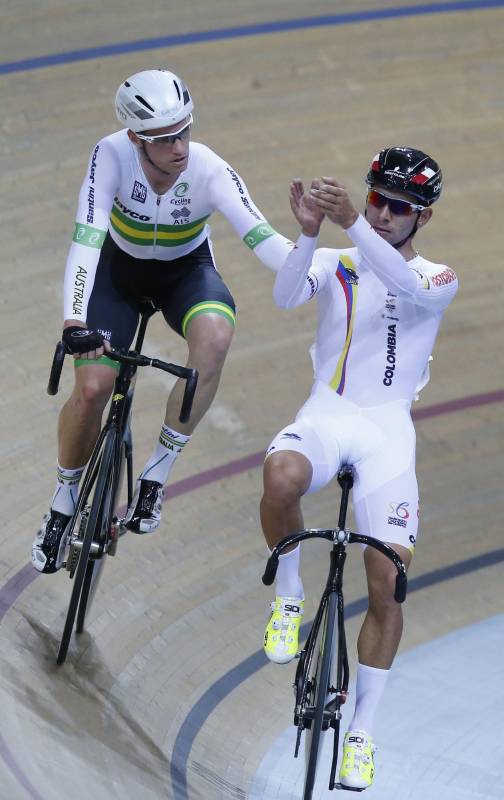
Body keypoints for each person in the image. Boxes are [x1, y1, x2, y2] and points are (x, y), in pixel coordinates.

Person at [32, 68, 294, 574]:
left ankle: (156, 474)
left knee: (216, 338)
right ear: (136, 139)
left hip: (185, 275)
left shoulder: (210, 169)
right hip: (117, 275)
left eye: (184, 131)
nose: (179, 147)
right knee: (92, 389)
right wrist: (72, 321)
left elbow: (267, 244)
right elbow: (87, 240)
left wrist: (318, 248)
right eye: (163, 138)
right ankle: (62, 503)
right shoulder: (109, 155)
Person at [261, 147, 458, 790]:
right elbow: (286, 295)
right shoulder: (338, 262)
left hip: (386, 433)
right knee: (281, 476)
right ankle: (290, 596)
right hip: (331, 411)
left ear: (421, 218)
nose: (383, 212)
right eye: (376, 199)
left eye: (399, 207)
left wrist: (353, 224)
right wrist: (309, 231)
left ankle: (363, 734)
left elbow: (398, 284)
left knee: (386, 583)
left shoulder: (437, 278)